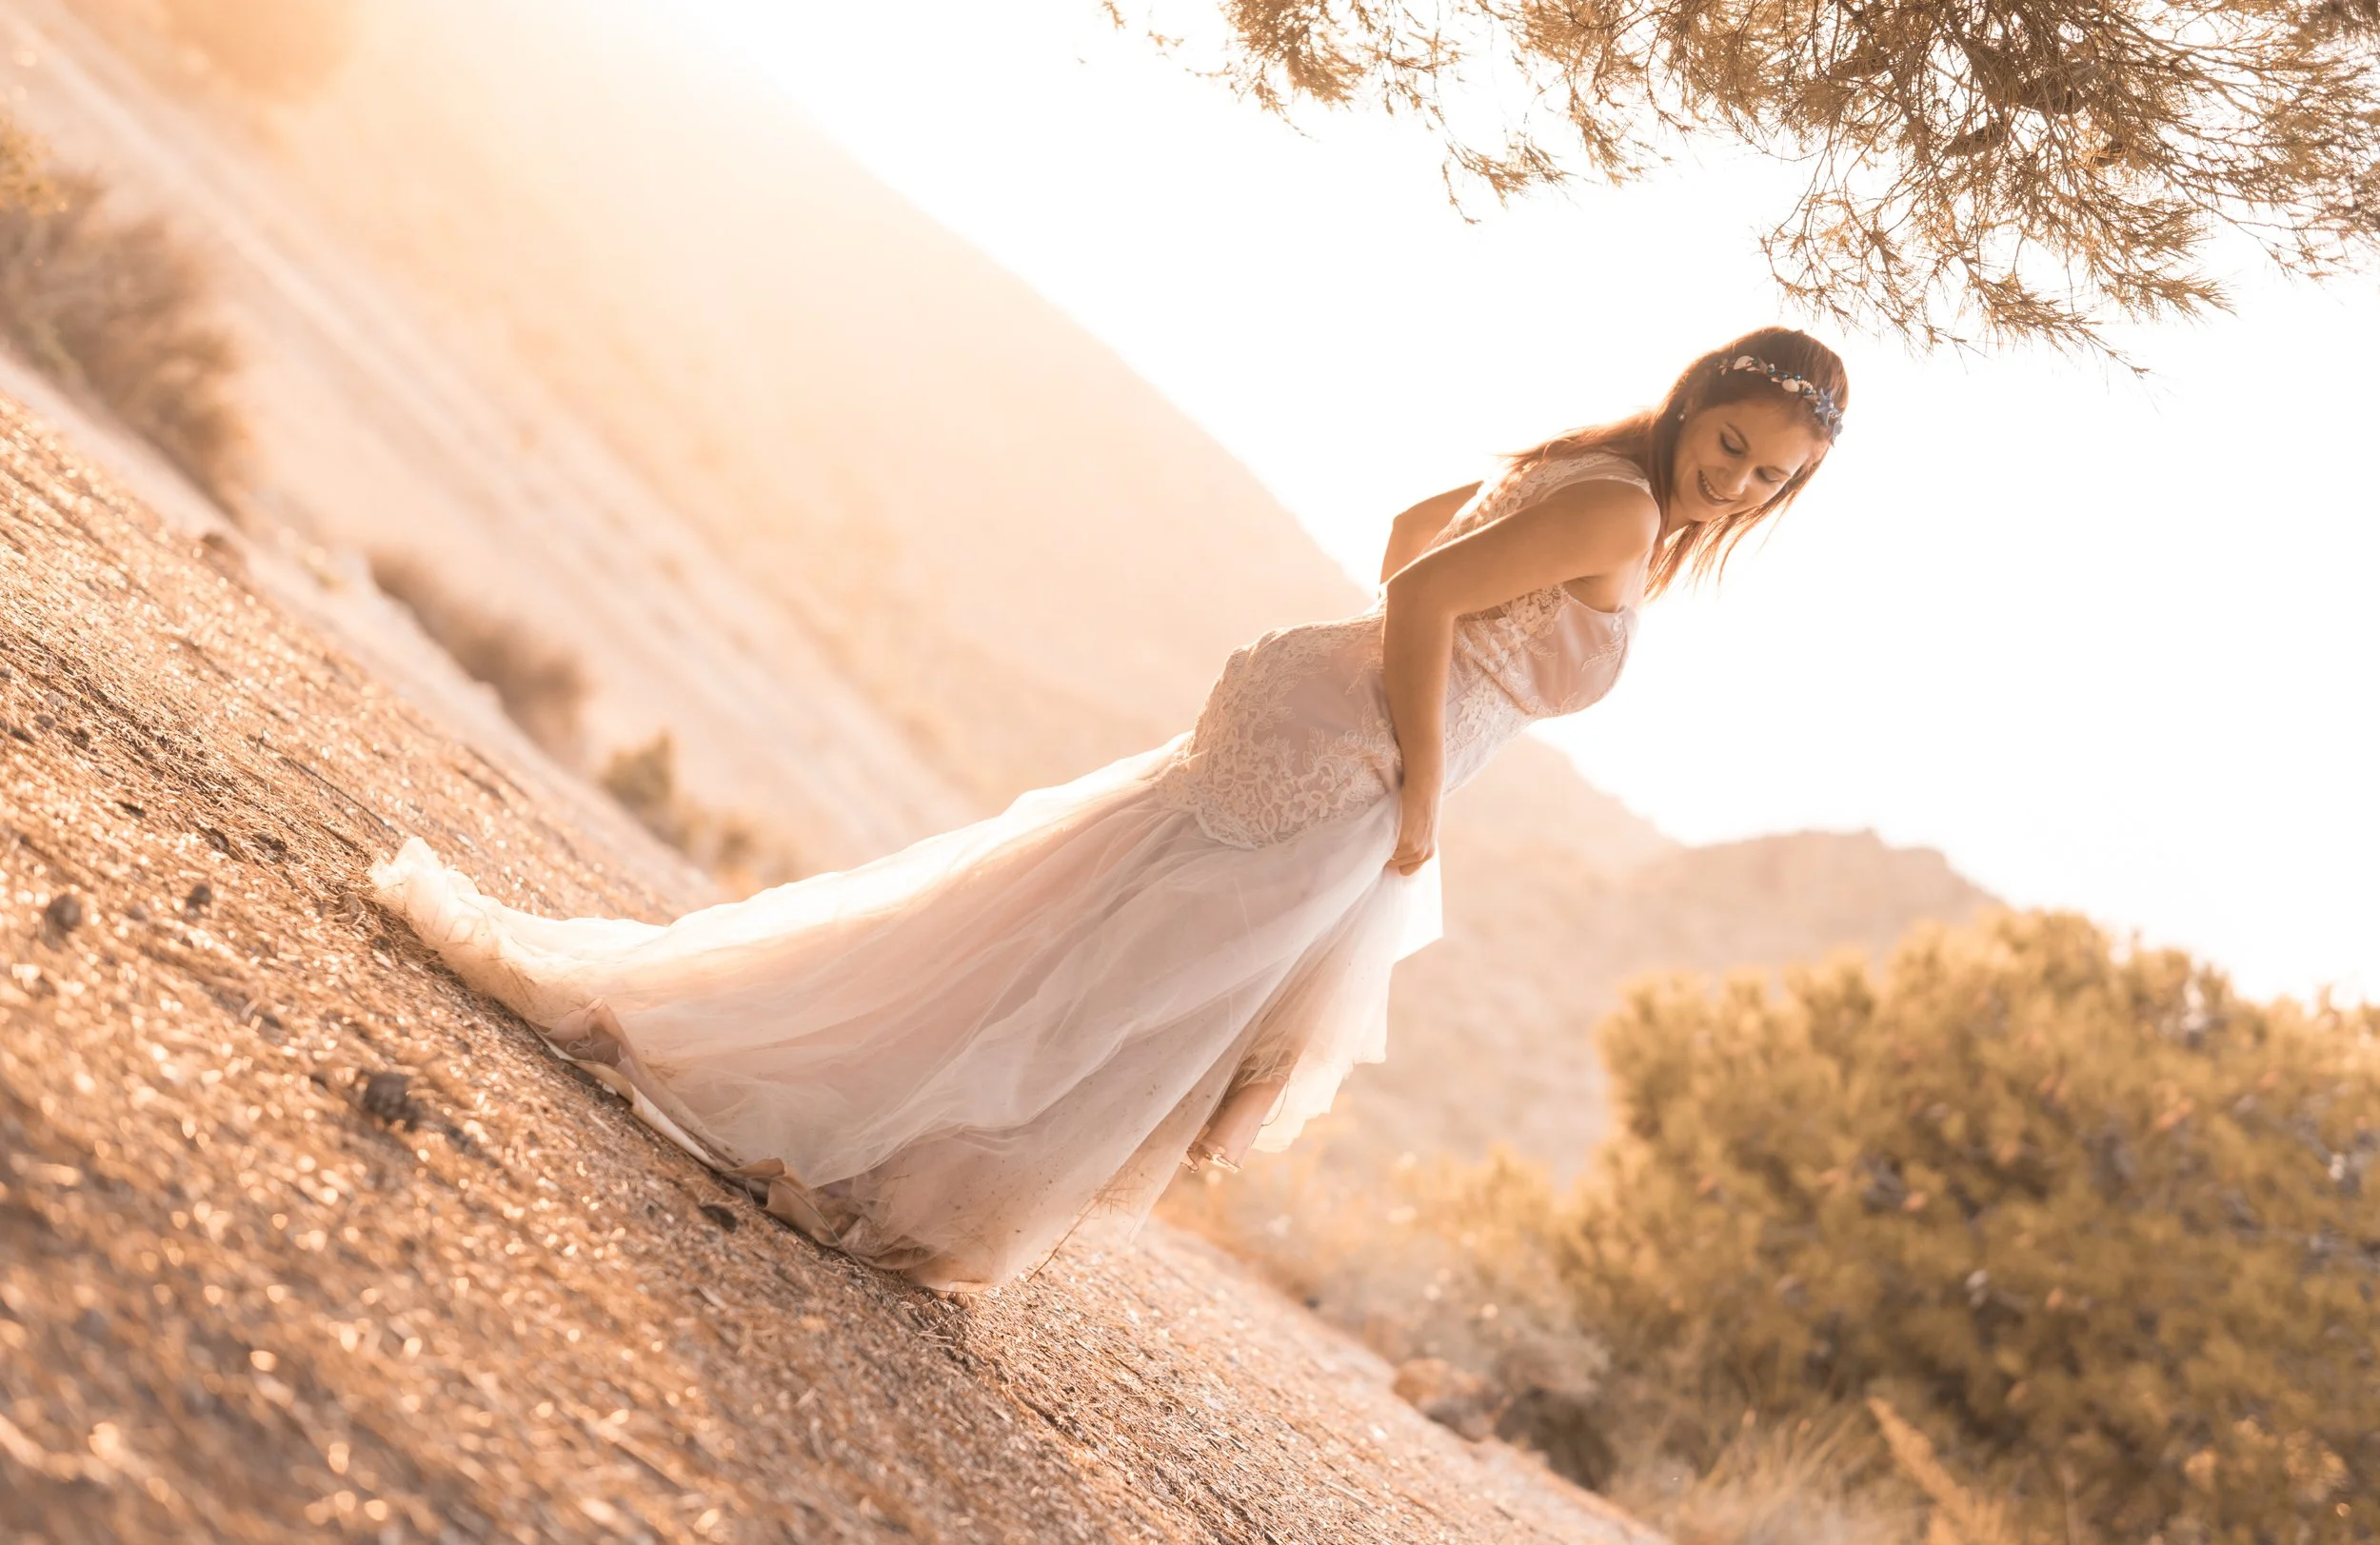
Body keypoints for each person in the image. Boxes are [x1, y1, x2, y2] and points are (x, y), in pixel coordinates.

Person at [372, 327, 1847, 1292]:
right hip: (1355, 758)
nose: (1735, 481)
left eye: (1769, 479)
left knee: (1087, 940)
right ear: (1698, 393)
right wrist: (1420, 787)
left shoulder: (1593, 474)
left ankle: (867, 1157)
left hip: (1326, 719)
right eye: (1732, 442)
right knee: (1130, 989)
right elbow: (1421, 586)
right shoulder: (1623, 508)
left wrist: (1411, 726)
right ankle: (876, 1179)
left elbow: (1413, 533)